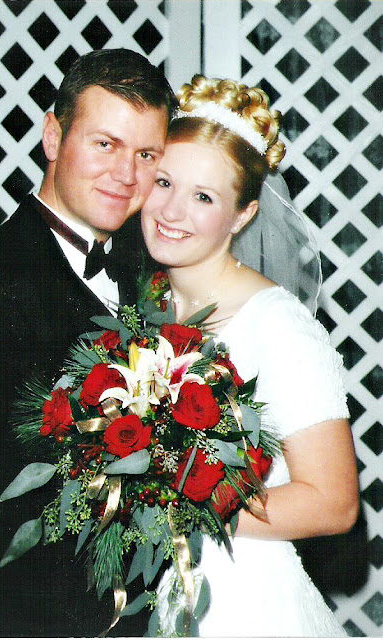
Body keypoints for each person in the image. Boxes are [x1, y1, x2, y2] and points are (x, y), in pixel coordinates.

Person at [0, 48, 176, 637]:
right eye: (105, 144)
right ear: (52, 136)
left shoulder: (155, 273)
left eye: (146, 155)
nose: (126, 174)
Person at [140, 74, 359, 636]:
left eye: (203, 197)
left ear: (243, 215)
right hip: (152, 589)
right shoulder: (143, 304)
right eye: (164, 182)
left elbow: (334, 503)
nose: (171, 210)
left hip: (243, 599)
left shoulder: (278, 326)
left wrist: (174, 506)